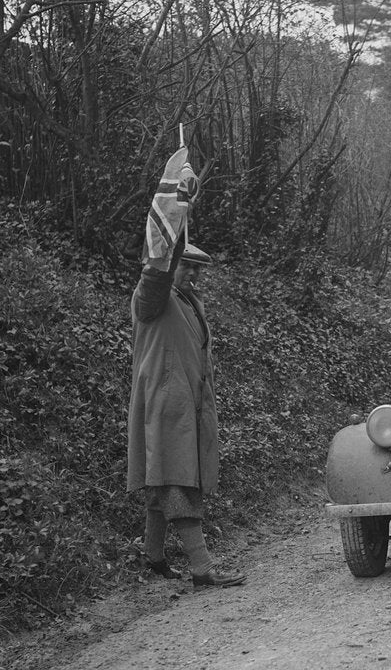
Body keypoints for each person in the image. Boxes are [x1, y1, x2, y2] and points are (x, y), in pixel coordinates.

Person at [127, 149, 245, 589]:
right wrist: (174, 215)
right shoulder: (152, 298)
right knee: (177, 484)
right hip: (163, 405)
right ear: (171, 265)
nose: (196, 274)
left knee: (163, 481)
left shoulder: (188, 301)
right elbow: (154, 272)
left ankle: (154, 557)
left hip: (186, 408)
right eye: (189, 267)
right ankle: (202, 568)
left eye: (199, 269)